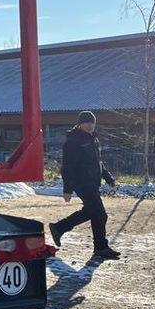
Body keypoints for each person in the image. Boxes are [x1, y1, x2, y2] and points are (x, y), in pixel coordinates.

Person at [49, 111, 121, 260]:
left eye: (92, 123)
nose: (90, 125)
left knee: (92, 212)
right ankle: (101, 247)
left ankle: (59, 228)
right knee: (100, 214)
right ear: (80, 124)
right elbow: (67, 166)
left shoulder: (93, 139)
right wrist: (67, 189)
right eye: (86, 123)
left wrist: (108, 177)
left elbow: (98, 162)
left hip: (93, 182)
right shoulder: (73, 141)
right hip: (82, 183)